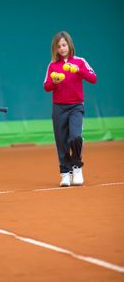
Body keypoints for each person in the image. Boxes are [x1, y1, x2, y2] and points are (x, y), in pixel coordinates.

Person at [43, 31, 97, 187]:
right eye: (59, 46)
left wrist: (78, 70)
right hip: (59, 107)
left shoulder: (80, 61)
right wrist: (54, 81)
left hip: (76, 106)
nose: (62, 48)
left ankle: (77, 167)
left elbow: (93, 78)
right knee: (61, 141)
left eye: (64, 45)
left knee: (75, 137)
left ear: (69, 45)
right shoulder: (53, 65)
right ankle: (65, 173)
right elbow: (46, 87)